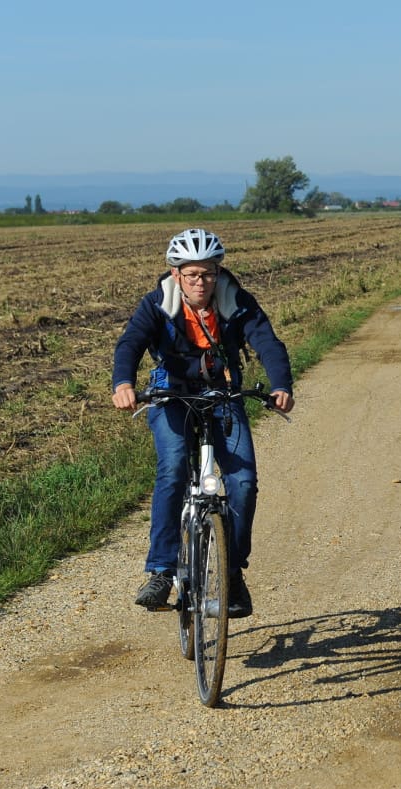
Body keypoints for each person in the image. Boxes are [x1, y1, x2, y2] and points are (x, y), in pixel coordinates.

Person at [112, 228, 295, 619]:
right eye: (192, 274)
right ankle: (161, 572)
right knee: (174, 466)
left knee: (243, 482)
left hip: (223, 392)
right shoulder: (158, 302)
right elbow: (131, 342)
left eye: (208, 273)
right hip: (170, 393)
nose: (201, 282)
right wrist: (123, 383)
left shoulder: (236, 301)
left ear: (218, 272)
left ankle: (232, 572)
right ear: (176, 274)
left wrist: (281, 385)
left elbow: (267, 342)